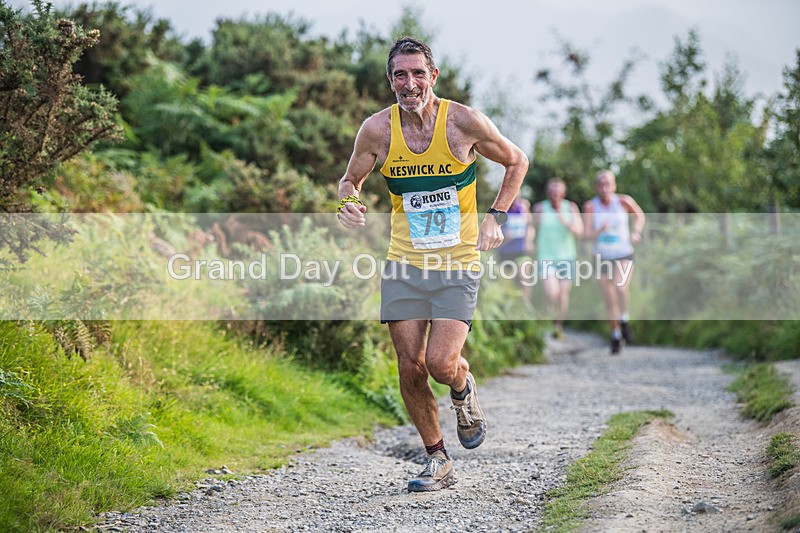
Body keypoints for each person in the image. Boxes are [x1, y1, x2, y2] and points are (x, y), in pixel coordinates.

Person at [337, 37, 528, 492]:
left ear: (433, 76)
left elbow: (517, 160)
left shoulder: (463, 123)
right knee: (410, 366)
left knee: (442, 363)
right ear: (390, 80)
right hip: (403, 262)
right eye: (400, 74)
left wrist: (496, 216)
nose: (409, 83)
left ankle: (462, 387)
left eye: (418, 73)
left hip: (457, 261)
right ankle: (436, 458)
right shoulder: (377, 131)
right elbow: (350, 179)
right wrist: (348, 201)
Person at [582, 170, 646, 354]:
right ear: (596, 187)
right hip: (601, 256)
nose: (604, 188)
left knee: (620, 286)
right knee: (609, 300)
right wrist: (599, 230)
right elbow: (586, 236)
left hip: (623, 253)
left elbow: (640, 216)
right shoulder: (590, 207)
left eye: (608, 184)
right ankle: (616, 335)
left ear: (614, 185)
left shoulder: (624, 201)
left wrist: (636, 232)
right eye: (601, 185)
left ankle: (624, 320)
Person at [532, 178, 583, 340]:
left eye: (558, 192)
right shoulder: (540, 208)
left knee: (562, 295)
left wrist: (566, 222)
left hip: (566, 257)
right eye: (552, 192)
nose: (555, 195)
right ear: (549, 193)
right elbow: (531, 229)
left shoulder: (571, 207)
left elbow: (580, 231)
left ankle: (557, 327)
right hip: (546, 256)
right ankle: (546, 320)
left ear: (563, 193)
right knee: (551, 292)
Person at [495, 192, 535, 299]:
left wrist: (529, 242)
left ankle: (527, 307)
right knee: (506, 286)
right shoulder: (500, 211)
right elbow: (494, 237)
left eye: (517, 196)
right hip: (505, 252)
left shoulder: (523, 208)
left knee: (525, 279)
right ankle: (510, 310)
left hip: (521, 250)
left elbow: (530, 227)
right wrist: (506, 237)